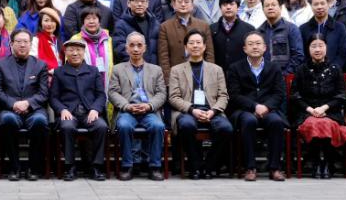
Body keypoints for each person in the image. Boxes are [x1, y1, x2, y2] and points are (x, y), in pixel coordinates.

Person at [168, 31, 233, 180]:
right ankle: (195, 166)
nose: (195, 46)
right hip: (187, 112)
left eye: (198, 43)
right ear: (186, 47)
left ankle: (209, 166)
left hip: (212, 111)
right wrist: (192, 110)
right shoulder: (176, 70)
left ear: (204, 47)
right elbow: (173, 97)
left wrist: (213, 111)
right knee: (186, 125)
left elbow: (223, 96)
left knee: (226, 128)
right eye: (191, 43)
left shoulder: (216, 69)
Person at [226, 32, 288, 181]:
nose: (255, 47)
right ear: (244, 49)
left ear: (265, 47)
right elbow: (234, 95)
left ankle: (274, 168)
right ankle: (250, 167)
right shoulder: (235, 68)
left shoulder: (274, 67)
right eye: (251, 44)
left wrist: (266, 107)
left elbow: (279, 93)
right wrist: (254, 106)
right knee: (249, 121)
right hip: (244, 110)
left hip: (268, 109)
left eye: (258, 43)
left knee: (276, 122)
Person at [0, 29, 52, 181]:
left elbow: (44, 93)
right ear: (11, 44)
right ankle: (14, 167)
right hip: (9, 109)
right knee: (7, 120)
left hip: (34, 110)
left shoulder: (40, 65)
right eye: (18, 41)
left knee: (40, 121)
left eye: (26, 42)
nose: (22, 45)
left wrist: (27, 103)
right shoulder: (1, 64)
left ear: (30, 44)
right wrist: (13, 104)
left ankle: (33, 167)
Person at [107, 32, 167, 181]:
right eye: (132, 45)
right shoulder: (118, 69)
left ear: (144, 48)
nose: (135, 49)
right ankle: (127, 166)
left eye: (139, 45)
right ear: (127, 48)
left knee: (158, 126)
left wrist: (149, 105)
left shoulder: (156, 70)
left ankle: (154, 167)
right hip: (127, 111)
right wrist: (127, 106)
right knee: (124, 126)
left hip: (149, 111)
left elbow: (161, 93)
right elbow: (113, 92)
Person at [50, 37, 110, 181]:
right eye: (71, 50)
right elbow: (53, 97)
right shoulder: (59, 72)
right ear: (65, 53)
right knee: (67, 127)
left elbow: (101, 95)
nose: (75, 53)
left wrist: (95, 109)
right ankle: (70, 167)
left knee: (101, 126)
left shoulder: (93, 71)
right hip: (69, 112)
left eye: (78, 50)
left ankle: (96, 167)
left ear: (84, 52)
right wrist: (62, 110)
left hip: (89, 112)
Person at [291, 35, 346, 179]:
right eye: (313, 46)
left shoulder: (335, 69)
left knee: (326, 124)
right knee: (314, 123)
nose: (317, 49)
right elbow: (295, 95)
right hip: (306, 112)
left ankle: (328, 162)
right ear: (308, 49)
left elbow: (342, 95)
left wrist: (324, 108)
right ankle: (316, 162)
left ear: (326, 47)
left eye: (321, 45)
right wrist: (311, 110)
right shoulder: (301, 69)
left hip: (330, 112)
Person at [157, 0, 214, 78]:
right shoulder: (165, 27)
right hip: (176, 75)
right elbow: (163, 57)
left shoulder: (203, 25)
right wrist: (168, 79)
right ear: (174, 5)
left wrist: (209, 76)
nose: (183, 4)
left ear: (192, 5)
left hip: (200, 73)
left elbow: (209, 54)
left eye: (186, 2)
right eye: (180, 2)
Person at [257, 0, 305, 74]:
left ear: (280, 7)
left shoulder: (291, 29)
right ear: (263, 9)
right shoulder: (259, 32)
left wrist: (285, 74)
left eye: (273, 5)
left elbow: (298, 56)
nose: (270, 7)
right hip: (264, 77)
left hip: (285, 76)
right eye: (267, 5)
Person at [300, 0, 346, 70]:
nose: (319, 7)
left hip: (333, 72)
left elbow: (342, 54)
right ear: (311, 6)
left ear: (328, 5)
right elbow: (302, 54)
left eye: (322, 3)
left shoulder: (339, 28)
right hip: (309, 73)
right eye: (316, 4)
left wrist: (332, 70)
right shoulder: (303, 29)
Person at [113, 0, 161, 65]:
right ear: (128, 3)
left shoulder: (155, 23)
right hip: (131, 67)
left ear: (147, 4)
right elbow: (120, 48)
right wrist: (137, 64)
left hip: (152, 68)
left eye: (142, 1)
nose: (139, 4)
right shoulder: (121, 24)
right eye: (136, 1)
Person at [210, 0, 256, 68]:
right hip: (218, 72)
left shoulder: (249, 29)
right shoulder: (212, 29)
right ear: (220, 8)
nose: (228, 7)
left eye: (232, 4)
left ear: (238, 7)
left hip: (242, 72)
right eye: (225, 5)